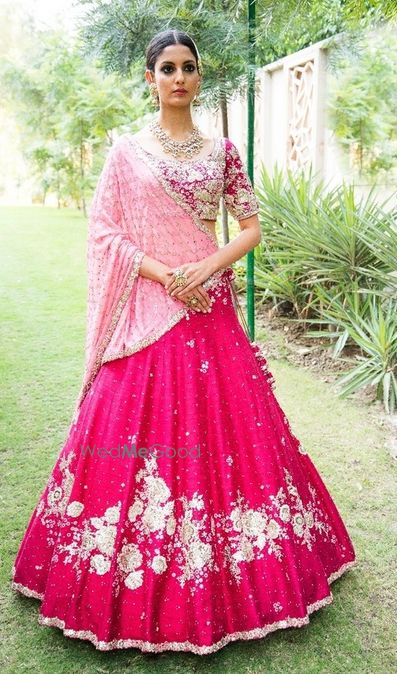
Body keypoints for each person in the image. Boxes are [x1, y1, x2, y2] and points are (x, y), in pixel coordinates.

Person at [11, 28, 357, 655]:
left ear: (199, 78)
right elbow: (106, 233)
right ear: (150, 78)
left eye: (188, 68)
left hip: (209, 311)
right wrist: (168, 275)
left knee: (236, 437)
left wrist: (209, 266)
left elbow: (251, 228)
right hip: (150, 307)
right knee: (125, 430)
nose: (178, 77)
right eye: (166, 68)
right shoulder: (126, 154)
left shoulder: (223, 151)